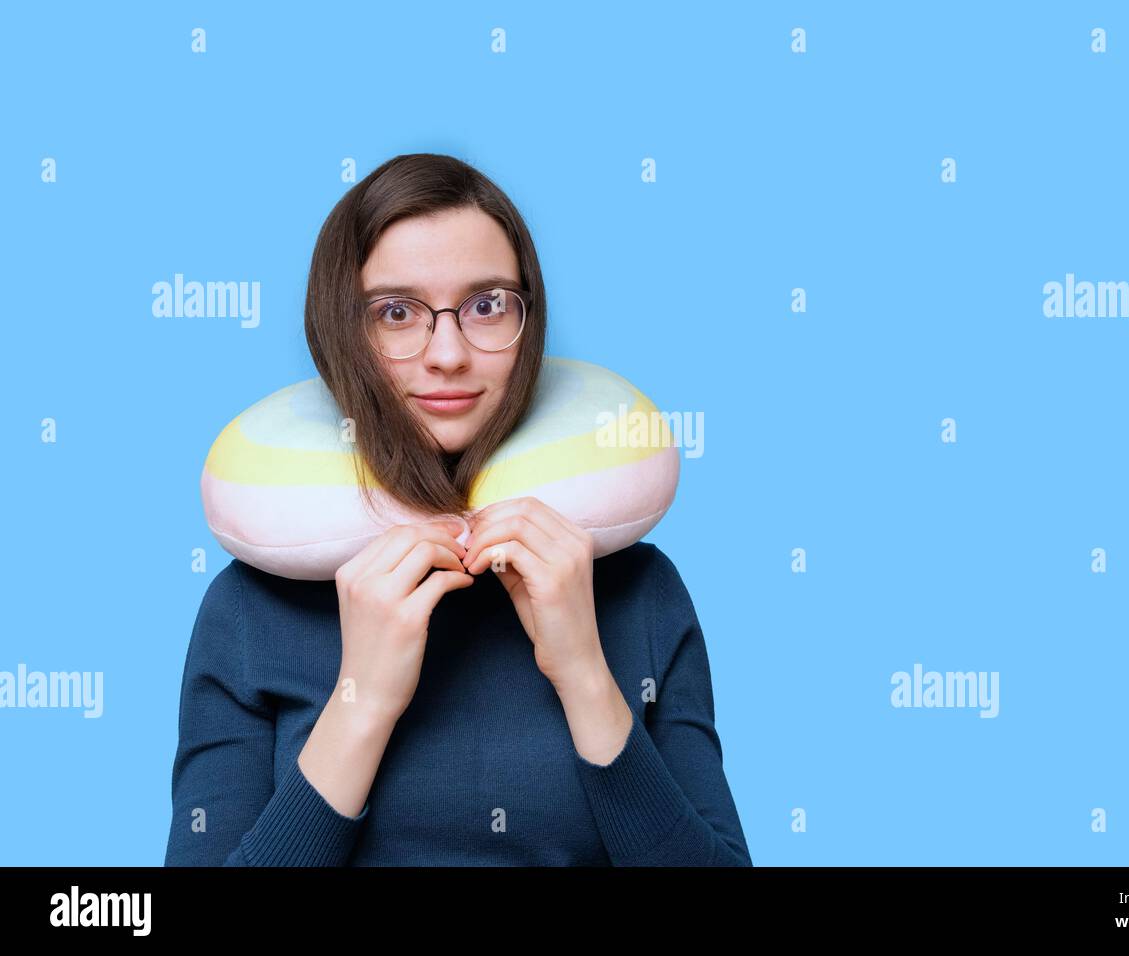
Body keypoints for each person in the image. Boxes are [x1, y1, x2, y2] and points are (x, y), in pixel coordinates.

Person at [164, 153, 751, 866]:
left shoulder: (641, 591)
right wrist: (364, 698)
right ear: (341, 330)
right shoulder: (248, 611)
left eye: (487, 304)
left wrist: (584, 673)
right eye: (396, 312)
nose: (448, 353)